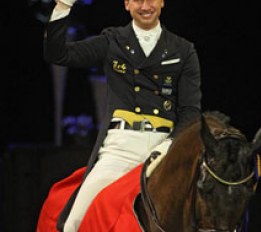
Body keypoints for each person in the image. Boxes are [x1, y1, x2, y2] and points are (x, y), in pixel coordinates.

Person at [42, 0, 202, 231]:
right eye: (138, 0)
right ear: (127, 4)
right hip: (121, 147)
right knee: (73, 222)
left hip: (165, 150)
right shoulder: (112, 41)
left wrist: (169, 144)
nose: (145, 6)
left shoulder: (183, 50)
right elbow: (58, 55)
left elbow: (191, 111)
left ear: (162, 2)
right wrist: (64, 6)